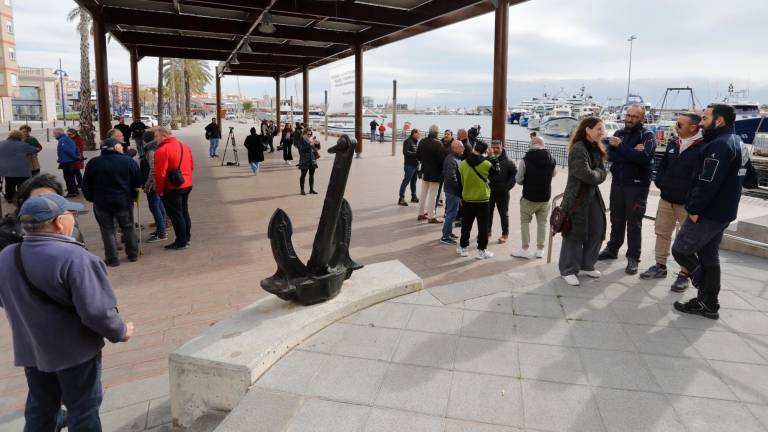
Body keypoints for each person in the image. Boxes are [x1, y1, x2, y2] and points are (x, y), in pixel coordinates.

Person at [0, 193, 132, 431]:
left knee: (41, 408)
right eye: (70, 215)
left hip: (33, 350)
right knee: (83, 409)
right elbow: (96, 312)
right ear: (59, 222)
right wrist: (121, 330)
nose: (73, 219)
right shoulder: (76, 258)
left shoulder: (7, 255)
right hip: (75, 353)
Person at [672, 104, 744, 320]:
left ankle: (707, 298)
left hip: (707, 213)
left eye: (704, 118)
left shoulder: (719, 145)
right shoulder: (738, 142)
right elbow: (749, 177)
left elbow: (707, 182)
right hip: (724, 212)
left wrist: (694, 209)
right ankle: (709, 304)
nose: (701, 123)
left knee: (681, 251)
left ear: (719, 121)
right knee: (708, 254)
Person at [639, 113, 705, 290]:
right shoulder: (673, 143)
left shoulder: (703, 147)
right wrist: (660, 182)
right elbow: (662, 167)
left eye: (680, 124)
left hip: (687, 204)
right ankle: (660, 266)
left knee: (687, 240)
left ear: (693, 127)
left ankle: (685, 274)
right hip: (666, 199)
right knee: (661, 232)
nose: (676, 127)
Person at [598, 104, 657, 275]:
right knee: (616, 218)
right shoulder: (619, 133)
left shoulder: (647, 135)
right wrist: (631, 153)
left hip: (637, 186)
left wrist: (622, 148)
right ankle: (612, 249)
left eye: (634, 117)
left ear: (642, 118)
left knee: (634, 222)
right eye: (628, 115)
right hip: (618, 183)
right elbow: (610, 155)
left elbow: (645, 159)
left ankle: (633, 257)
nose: (629, 119)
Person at [558, 117, 609, 286]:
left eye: (603, 129)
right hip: (577, 198)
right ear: (588, 129)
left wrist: (597, 174)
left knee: (597, 229)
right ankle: (568, 269)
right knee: (574, 233)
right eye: (599, 129)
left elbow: (602, 171)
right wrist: (598, 175)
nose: (602, 132)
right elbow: (586, 174)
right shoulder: (578, 149)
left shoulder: (595, 148)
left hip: (592, 195)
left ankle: (587, 265)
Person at [82, 138, 141, 266]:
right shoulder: (128, 161)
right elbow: (137, 181)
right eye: (120, 146)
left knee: (107, 230)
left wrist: (91, 198)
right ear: (115, 147)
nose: (122, 148)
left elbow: (86, 184)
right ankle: (133, 254)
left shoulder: (94, 163)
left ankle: (112, 258)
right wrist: (133, 196)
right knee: (128, 227)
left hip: (101, 203)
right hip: (123, 201)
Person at [512, 136, 556, 259]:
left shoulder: (525, 160)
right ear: (543, 145)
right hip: (545, 197)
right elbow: (554, 174)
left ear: (531, 144)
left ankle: (525, 248)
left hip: (529, 197)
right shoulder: (551, 159)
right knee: (542, 223)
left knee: (525, 222)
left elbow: (519, 180)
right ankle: (540, 250)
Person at [154, 127, 195, 250]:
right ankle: (186, 238)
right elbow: (191, 165)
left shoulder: (162, 150)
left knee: (176, 215)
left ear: (164, 136)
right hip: (186, 184)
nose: (155, 139)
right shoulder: (185, 146)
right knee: (184, 211)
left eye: (156, 136)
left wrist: (160, 190)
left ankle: (181, 241)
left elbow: (160, 173)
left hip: (172, 187)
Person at [457, 140, 499, 259]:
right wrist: (492, 157)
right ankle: (481, 250)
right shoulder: (487, 164)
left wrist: (460, 196)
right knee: (483, 227)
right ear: (485, 151)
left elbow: (459, 183)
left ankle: (463, 248)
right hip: (483, 199)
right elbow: (497, 171)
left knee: (466, 225)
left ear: (474, 148)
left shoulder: (463, 164)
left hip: (467, 199)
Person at [140, 131, 168, 243]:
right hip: (156, 183)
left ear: (145, 140)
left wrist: (148, 185)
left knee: (155, 207)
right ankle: (162, 228)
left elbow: (153, 169)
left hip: (153, 184)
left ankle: (161, 232)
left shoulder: (150, 150)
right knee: (159, 205)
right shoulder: (153, 148)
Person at [487, 139, 517, 244]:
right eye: (493, 147)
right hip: (489, 192)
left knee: (503, 214)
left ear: (501, 147)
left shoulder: (509, 161)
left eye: (497, 148)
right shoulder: (487, 159)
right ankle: (488, 232)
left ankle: (505, 234)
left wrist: (507, 187)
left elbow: (514, 176)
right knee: (488, 213)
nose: (495, 150)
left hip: (502, 193)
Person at [416, 125, 445, 223]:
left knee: (423, 193)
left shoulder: (422, 141)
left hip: (425, 171)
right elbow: (441, 160)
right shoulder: (439, 144)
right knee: (433, 194)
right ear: (436, 133)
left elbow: (418, 155)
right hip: (435, 173)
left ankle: (420, 213)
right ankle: (431, 216)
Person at [0, 131, 38, 203]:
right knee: (22, 185)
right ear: (20, 137)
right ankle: (21, 198)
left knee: (9, 184)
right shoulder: (23, 145)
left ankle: (9, 197)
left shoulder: (1, 143)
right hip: (21, 169)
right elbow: (35, 150)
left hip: (6, 169)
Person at [440, 139, 464, 245]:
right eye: (461, 146)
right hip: (452, 191)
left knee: (453, 213)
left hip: (453, 191)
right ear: (455, 148)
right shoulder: (452, 159)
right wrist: (459, 190)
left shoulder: (455, 158)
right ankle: (445, 236)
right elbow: (451, 178)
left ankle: (448, 232)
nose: (463, 148)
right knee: (451, 213)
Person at [54, 128, 81, 198]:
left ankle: (71, 192)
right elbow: (76, 148)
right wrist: (77, 156)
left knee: (68, 177)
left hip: (67, 161)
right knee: (71, 177)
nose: (54, 136)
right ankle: (75, 191)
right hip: (70, 161)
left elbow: (67, 150)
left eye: (54, 134)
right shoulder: (68, 138)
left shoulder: (62, 140)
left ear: (58, 134)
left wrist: (75, 157)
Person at [398, 129, 420, 206]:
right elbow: (405, 152)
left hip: (415, 165)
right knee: (406, 181)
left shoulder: (415, 141)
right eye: (418, 133)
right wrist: (416, 154)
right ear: (414, 133)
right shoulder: (408, 141)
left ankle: (413, 196)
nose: (419, 135)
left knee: (413, 182)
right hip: (409, 165)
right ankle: (401, 198)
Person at [296, 129, 319, 195]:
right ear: (304, 134)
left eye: (310, 134)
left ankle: (311, 189)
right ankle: (302, 190)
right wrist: (310, 144)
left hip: (312, 160)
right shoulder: (300, 141)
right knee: (303, 175)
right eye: (308, 134)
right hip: (304, 160)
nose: (309, 135)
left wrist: (317, 144)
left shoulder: (310, 141)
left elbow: (316, 149)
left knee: (312, 175)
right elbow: (301, 150)